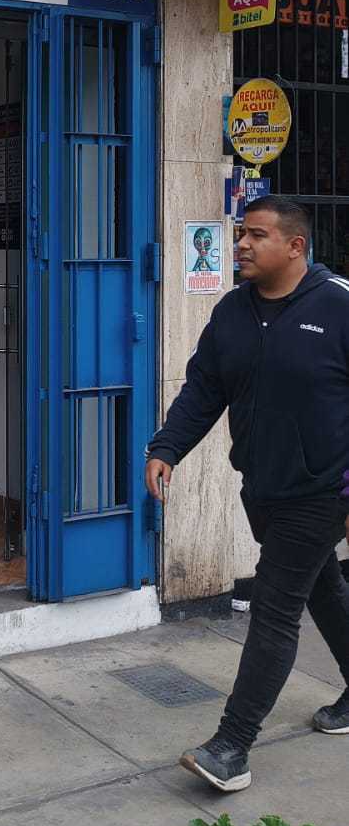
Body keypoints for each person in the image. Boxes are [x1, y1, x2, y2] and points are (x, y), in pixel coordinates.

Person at [145, 196, 349, 793]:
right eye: (241, 234)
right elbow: (205, 387)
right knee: (322, 587)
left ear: (295, 246)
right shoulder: (234, 311)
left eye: (257, 235)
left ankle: (232, 746)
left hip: (323, 489)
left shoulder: (338, 306)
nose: (241, 244)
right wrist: (167, 447)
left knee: (275, 606)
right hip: (261, 485)